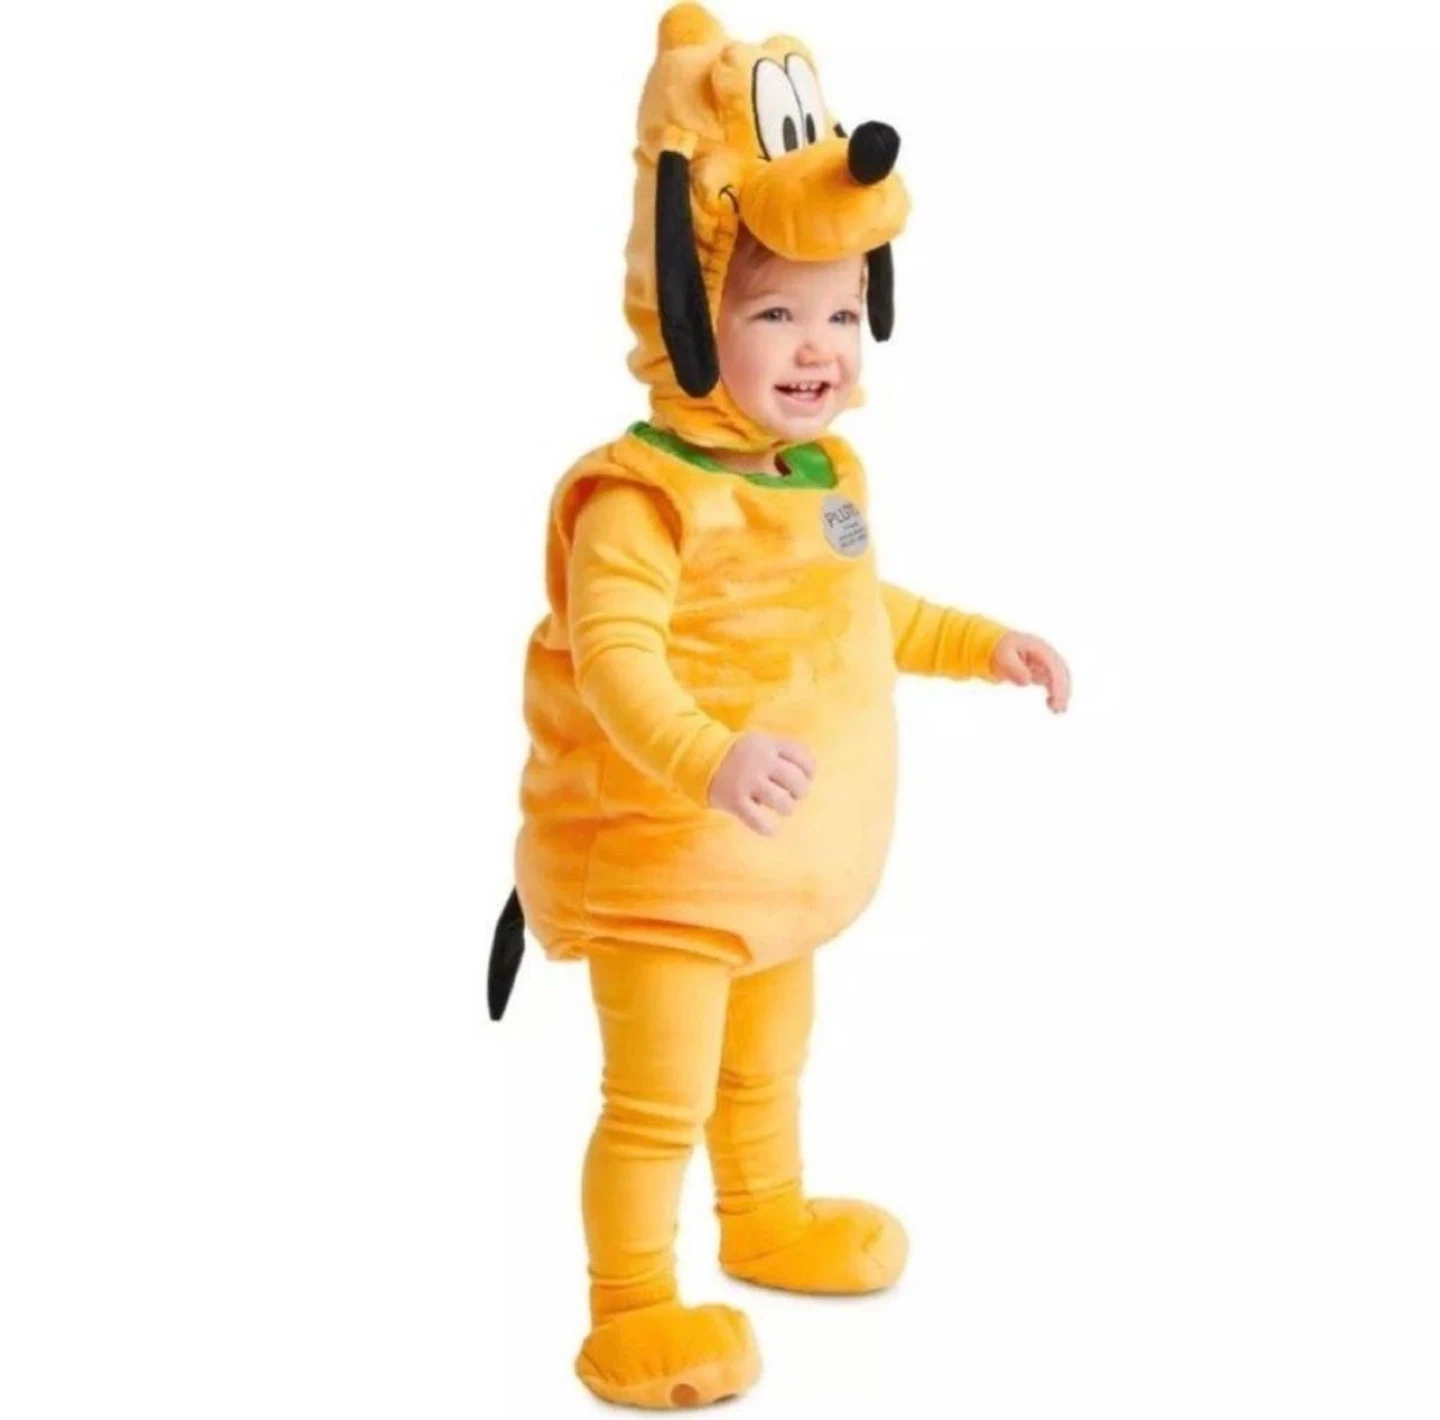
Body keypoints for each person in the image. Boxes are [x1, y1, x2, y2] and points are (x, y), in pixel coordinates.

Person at [491, 5, 1071, 1407]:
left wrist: (981, 643)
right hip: (670, 870)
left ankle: (764, 1219)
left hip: (776, 877)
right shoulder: (642, 496)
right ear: (690, 316)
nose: (819, 349)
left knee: (767, 1070)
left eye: (838, 311)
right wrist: (709, 758)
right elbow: (619, 660)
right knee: (658, 1103)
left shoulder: (821, 480)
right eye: (773, 314)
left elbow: (859, 612)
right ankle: (632, 1305)